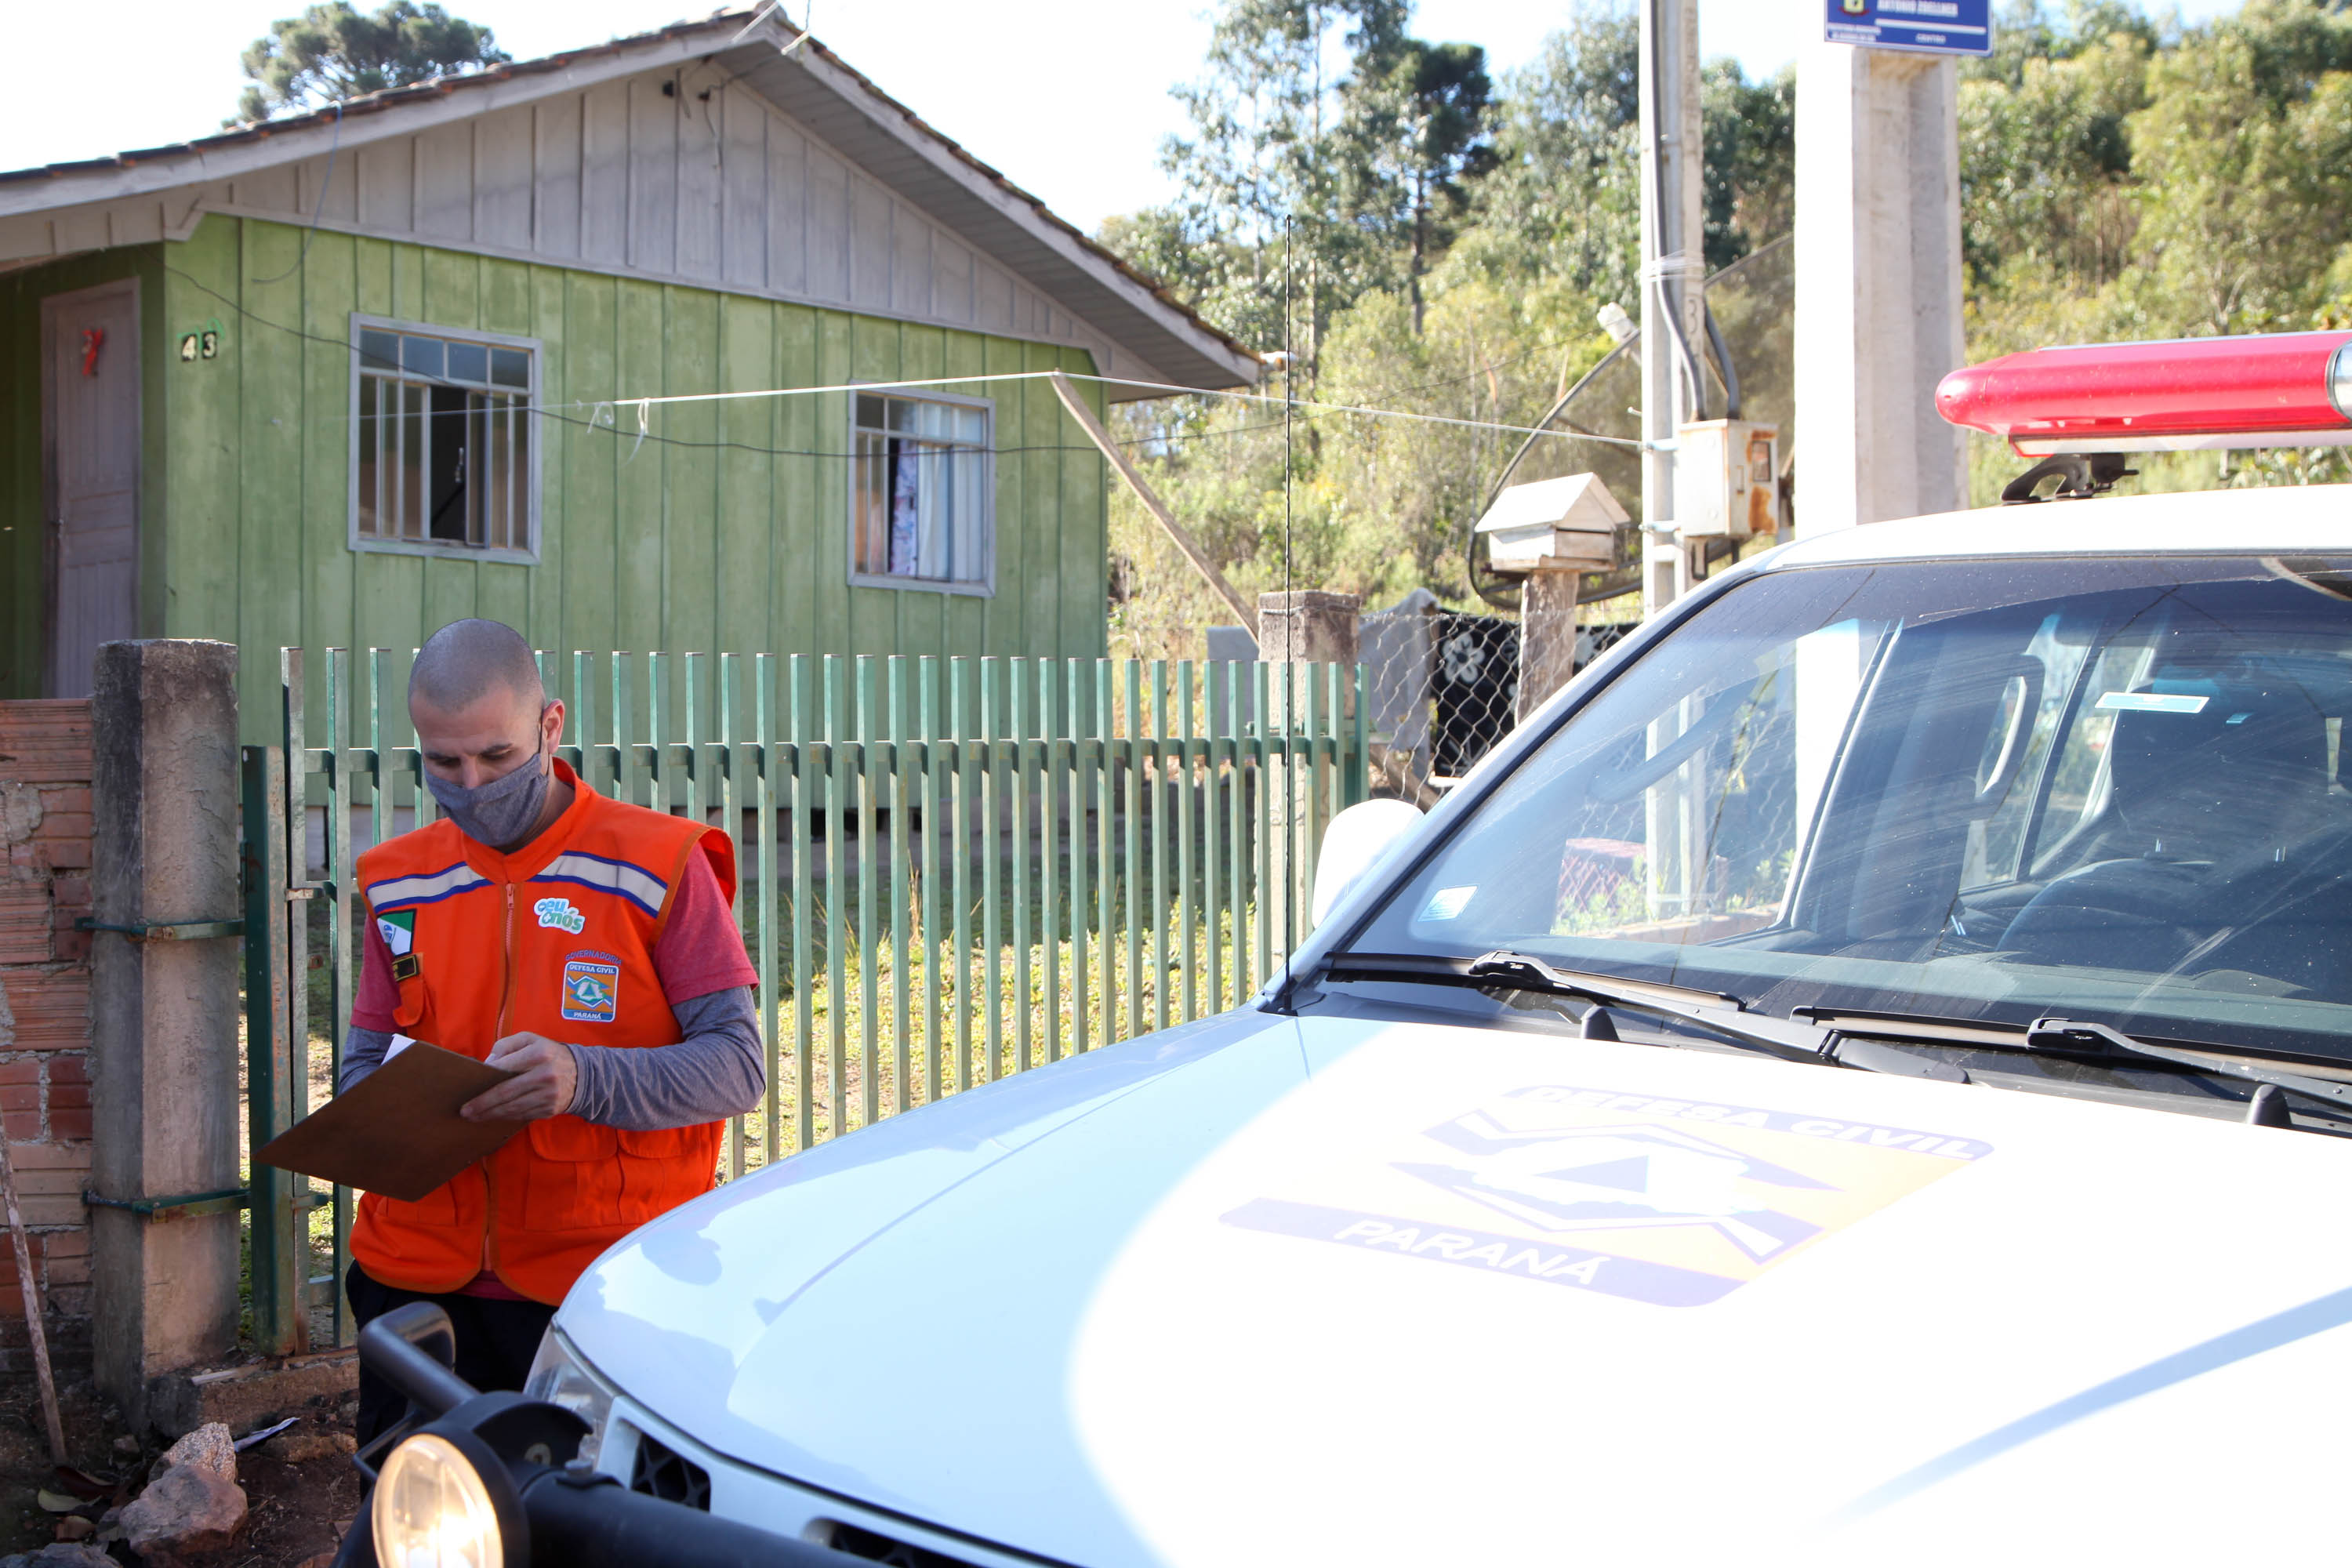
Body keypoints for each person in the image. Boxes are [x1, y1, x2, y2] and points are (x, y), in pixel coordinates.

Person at [341, 619, 763, 1447]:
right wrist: (385, 1113)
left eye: (496, 757)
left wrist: (582, 1077)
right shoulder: (397, 878)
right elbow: (362, 1060)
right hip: (413, 1287)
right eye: (442, 761)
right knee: (416, 1524)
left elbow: (737, 1066)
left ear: (550, 725)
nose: (470, 781)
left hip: (599, 1290)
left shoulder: (659, 864)